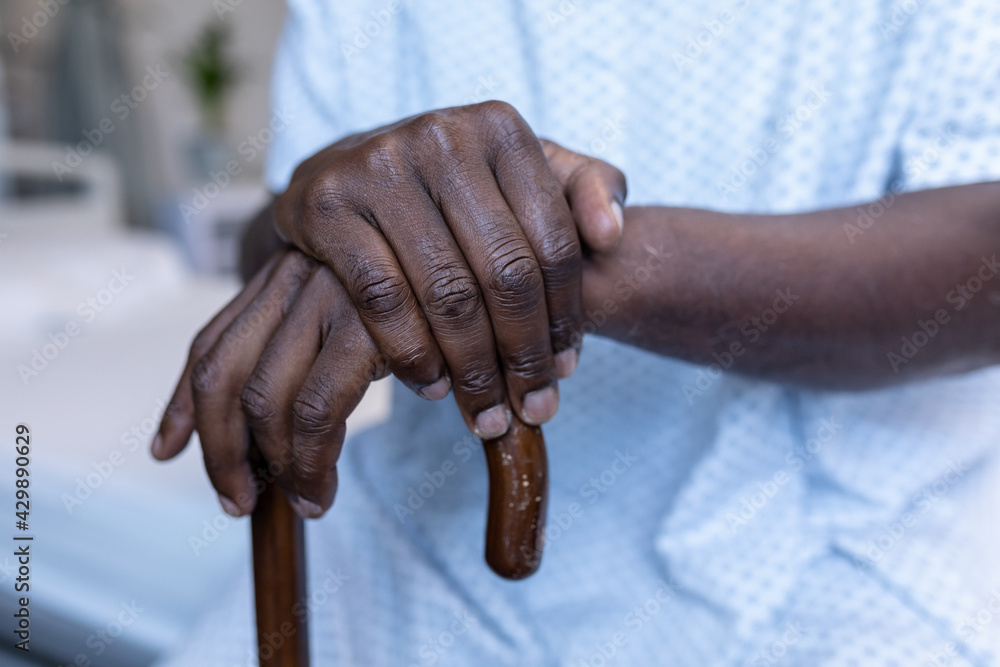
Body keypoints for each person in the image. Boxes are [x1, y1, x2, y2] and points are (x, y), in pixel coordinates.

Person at [155, 1, 1000, 664]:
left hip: (852, 549)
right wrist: (342, 203)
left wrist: (538, 259)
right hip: (424, 535)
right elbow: (275, 244)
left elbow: (983, 247)